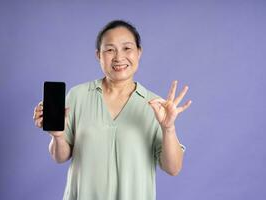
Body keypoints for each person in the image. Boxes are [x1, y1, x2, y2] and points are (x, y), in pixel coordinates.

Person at [33, 20, 192, 200]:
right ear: (98, 55)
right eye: (110, 50)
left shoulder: (156, 106)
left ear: (139, 52)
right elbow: (60, 157)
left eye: (127, 48)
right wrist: (57, 136)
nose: (118, 57)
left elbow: (173, 168)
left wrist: (168, 128)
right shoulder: (78, 96)